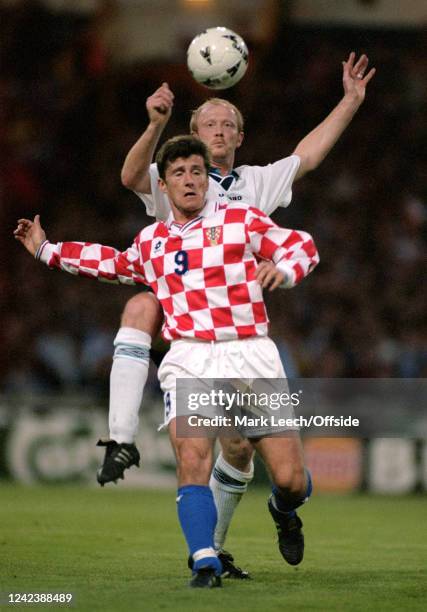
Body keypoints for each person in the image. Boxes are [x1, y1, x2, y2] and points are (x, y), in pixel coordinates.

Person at [101, 52, 375, 575]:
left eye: (229, 123)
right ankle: (121, 440)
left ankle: (274, 513)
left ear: (241, 137)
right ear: (193, 133)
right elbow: (132, 174)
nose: (220, 129)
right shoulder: (176, 176)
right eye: (209, 123)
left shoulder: (255, 185)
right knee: (139, 304)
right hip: (182, 319)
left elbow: (308, 155)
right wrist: (154, 124)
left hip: (237, 328)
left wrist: (350, 101)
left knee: (248, 454)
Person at [14, 135, 319, 588]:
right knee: (192, 456)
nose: (190, 180)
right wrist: (46, 249)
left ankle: (283, 510)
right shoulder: (152, 241)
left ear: (207, 180)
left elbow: (299, 245)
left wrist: (286, 270)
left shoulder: (241, 220)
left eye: (197, 171)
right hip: (190, 357)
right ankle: (204, 562)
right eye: (178, 173)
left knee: (292, 479)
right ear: (165, 185)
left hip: (248, 352)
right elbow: (111, 262)